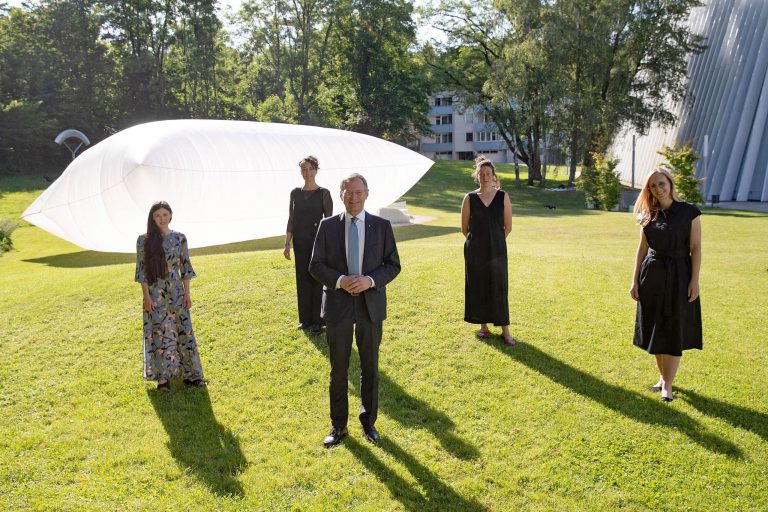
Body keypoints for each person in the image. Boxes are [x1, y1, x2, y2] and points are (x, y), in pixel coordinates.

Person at [309, 173, 401, 447]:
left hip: (370, 305)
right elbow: (315, 265)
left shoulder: (381, 226)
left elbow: (393, 265)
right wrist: (340, 280)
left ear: (367, 194)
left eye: (358, 192)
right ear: (341, 195)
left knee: (370, 366)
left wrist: (369, 280)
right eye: (348, 192)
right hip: (338, 305)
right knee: (338, 368)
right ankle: (338, 426)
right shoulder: (327, 226)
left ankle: (369, 422)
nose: (353, 197)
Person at [630, 168, 702, 403]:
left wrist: (694, 281)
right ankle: (662, 378)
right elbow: (642, 249)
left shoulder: (689, 212)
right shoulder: (648, 214)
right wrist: (634, 280)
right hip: (652, 275)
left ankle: (667, 386)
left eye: (662, 183)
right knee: (656, 327)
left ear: (670, 183)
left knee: (672, 328)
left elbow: (696, 248)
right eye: (653, 186)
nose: (658, 189)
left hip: (680, 274)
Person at [135, 201, 206, 390]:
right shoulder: (143, 240)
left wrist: (187, 294)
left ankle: (193, 376)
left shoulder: (179, 238)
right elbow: (141, 271)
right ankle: (163, 379)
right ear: (152, 218)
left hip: (177, 292)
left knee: (184, 331)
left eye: (165, 215)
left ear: (171, 216)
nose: (162, 219)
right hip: (155, 294)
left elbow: (186, 267)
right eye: (157, 215)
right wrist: (146, 297)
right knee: (160, 333)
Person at [461, 156, 515, 345]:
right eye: (482, 174)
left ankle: (505, 332)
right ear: (477, 176)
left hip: (497, 251)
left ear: (493, 176)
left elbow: (508, 227)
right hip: (475, 252)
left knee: (499, 287)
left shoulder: (502, 196)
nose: (485, 177)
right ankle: (483, 327)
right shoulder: (469, 198)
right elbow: (464, 229)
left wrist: (494, 242)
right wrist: (479, 244)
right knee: (478, 286)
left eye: (488, 174)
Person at [283, 155, 333, 335]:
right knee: (302, 278)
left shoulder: (324, 193)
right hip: (300, 242)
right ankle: (305, 319)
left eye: (311, 169)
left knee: (317, 279)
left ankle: (319, 321)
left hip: (317, 242)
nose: (308, 172)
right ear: (300, 172)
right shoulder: (294, 193)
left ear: (316, 170)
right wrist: (287, 243)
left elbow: (329, 222)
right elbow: (291, 219)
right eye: (304, 169)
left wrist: (329, 245)